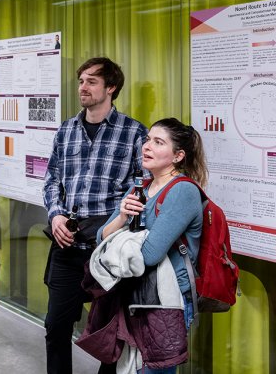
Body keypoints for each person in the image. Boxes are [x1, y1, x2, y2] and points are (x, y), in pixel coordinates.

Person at [42, 57, 148, 374]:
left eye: (91, 81)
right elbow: (51, 182)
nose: (82, 87)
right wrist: (56, 216)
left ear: (111, 87)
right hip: (67, 245)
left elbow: (143, 186)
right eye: (81, 81)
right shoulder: (66, 131)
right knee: (56, 326)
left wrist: (119, 220)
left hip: (110, 248)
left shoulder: (134, 133)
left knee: (112, 332)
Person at [97, 117, 207, 374]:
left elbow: (149, 255)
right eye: (148, 140)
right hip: (135, 295)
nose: (146, 146)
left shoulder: (183, 191)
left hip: (166, 301)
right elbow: (102, 236)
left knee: (153, 370)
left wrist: (121, 239)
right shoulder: (141, 186)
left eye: (158, 142)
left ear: (178, 155)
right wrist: (123, 217)